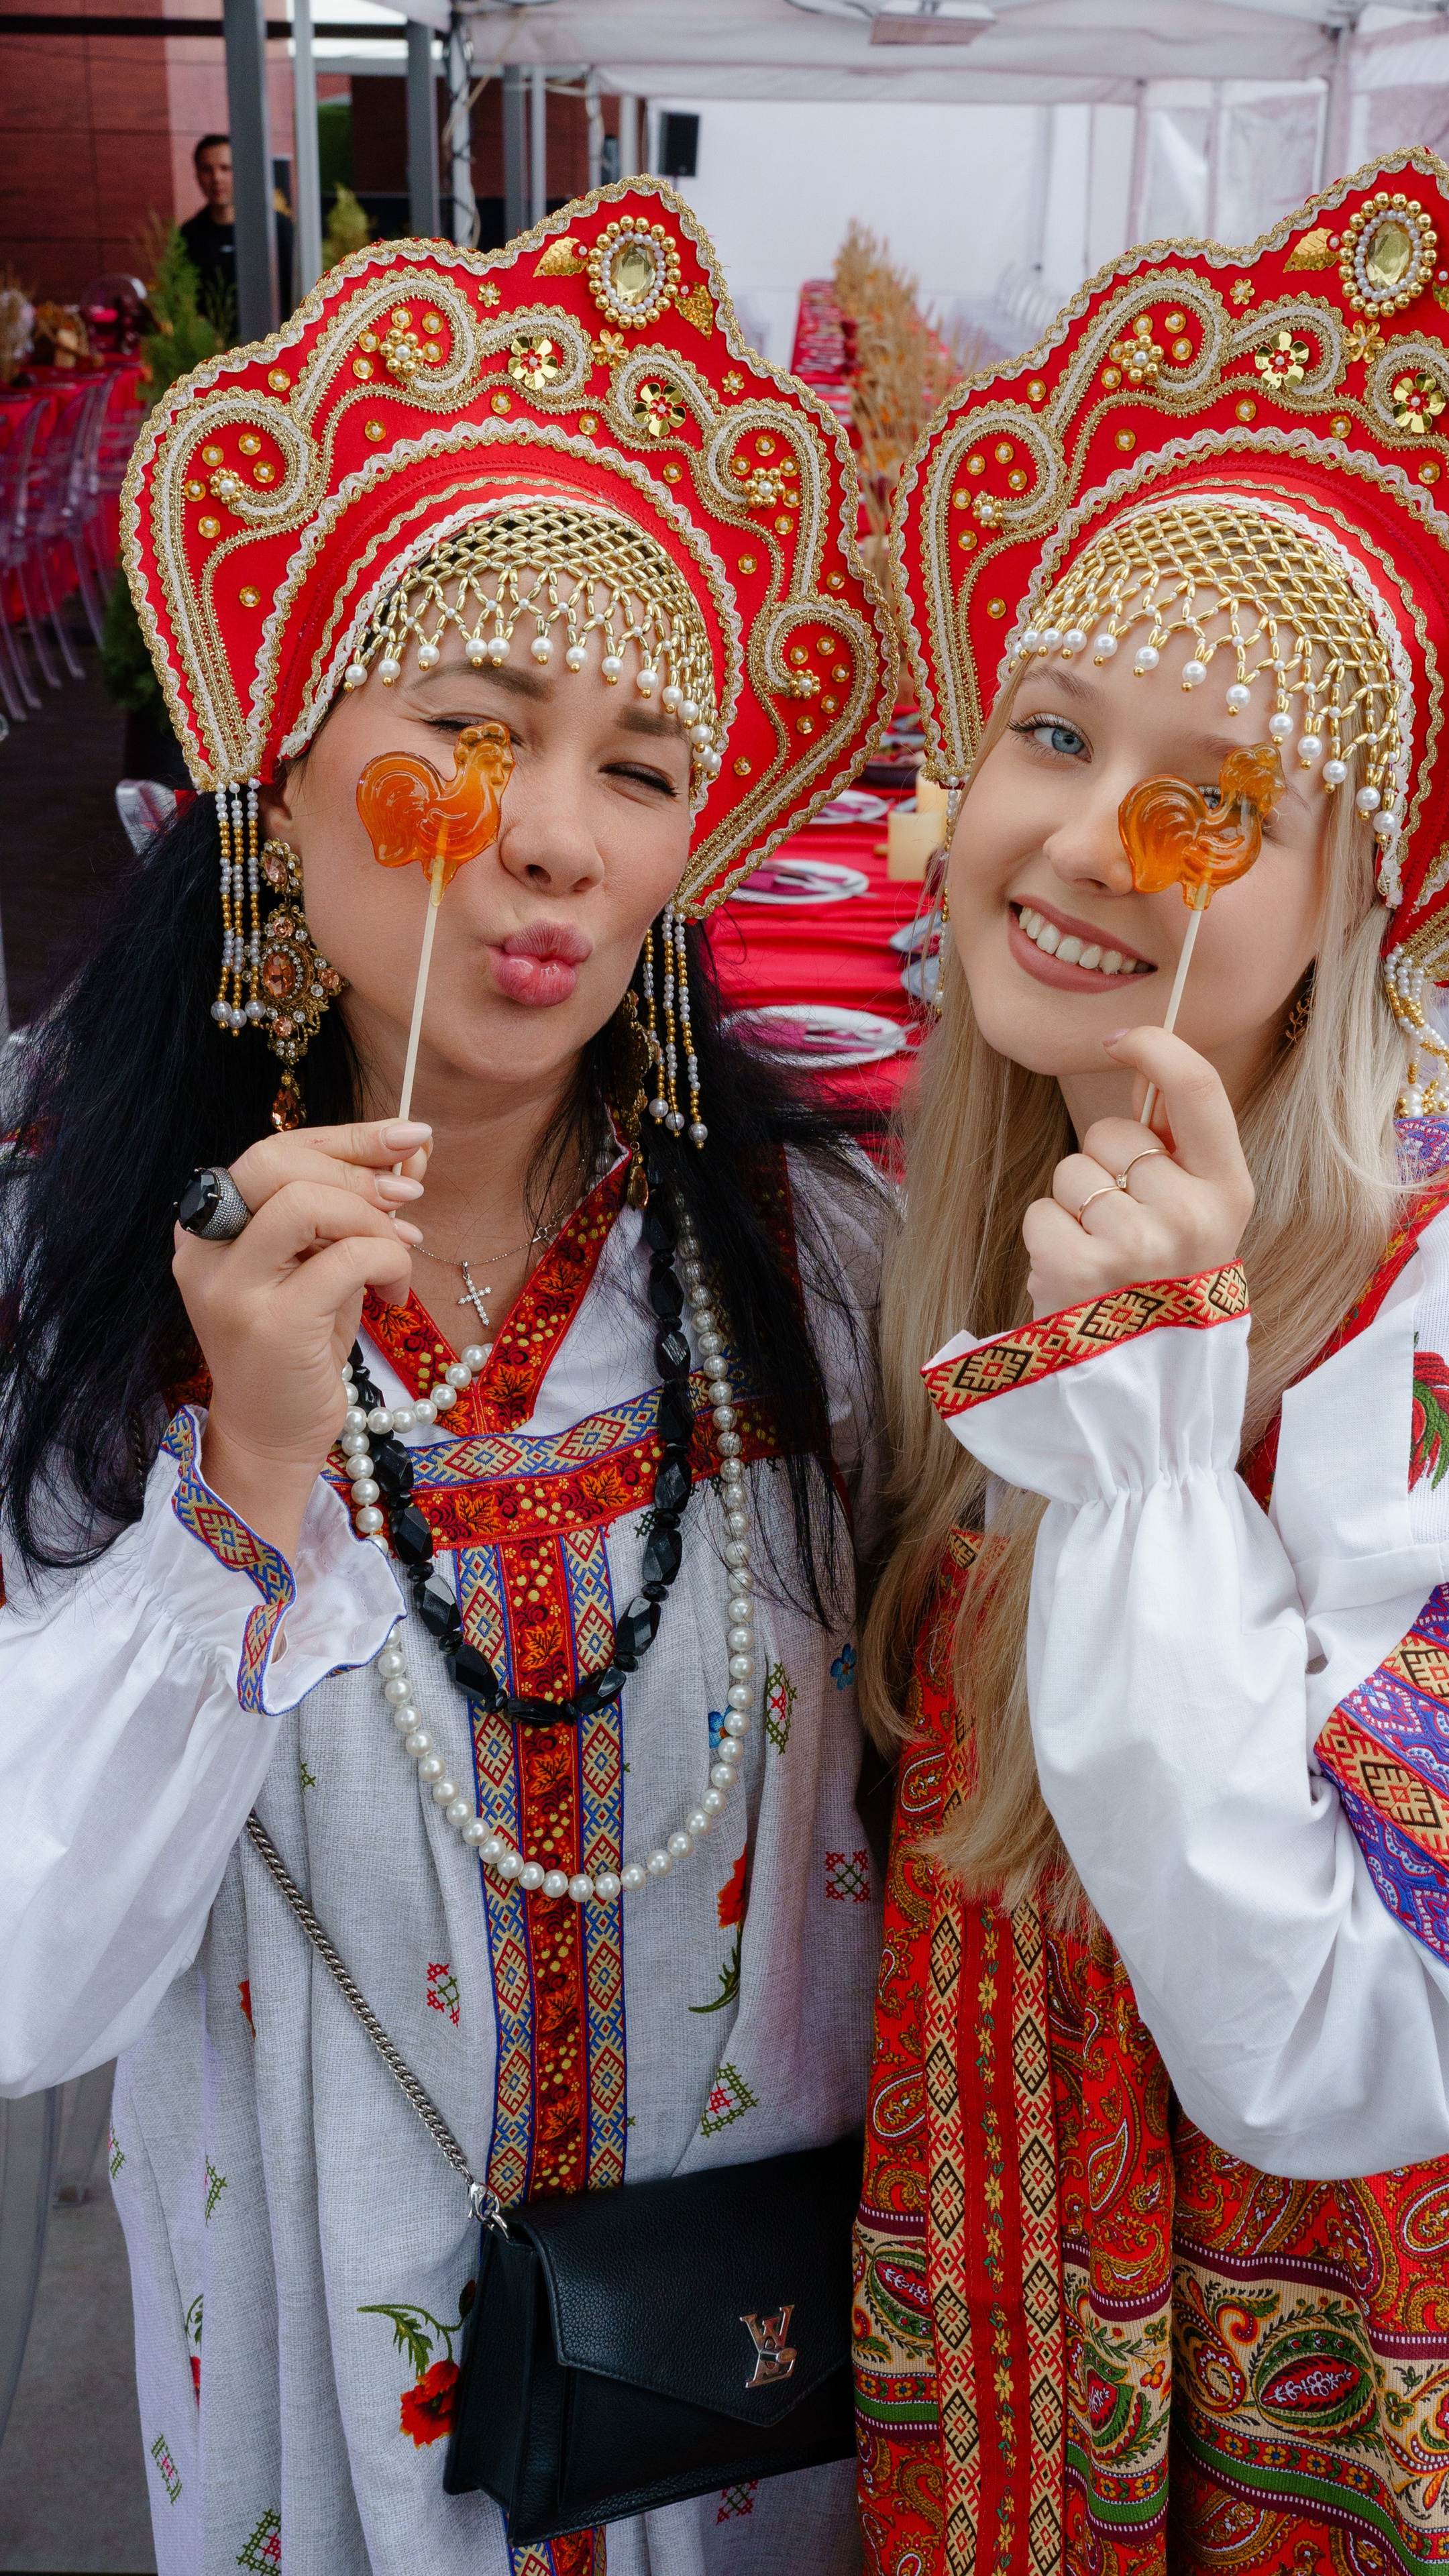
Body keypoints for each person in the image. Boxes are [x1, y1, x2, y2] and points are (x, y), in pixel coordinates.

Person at [0, 182, 894, 2573]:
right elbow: (29, 1977)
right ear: (274, 784)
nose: (549, 845)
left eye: (635, 765)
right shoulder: (88, 1297)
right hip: (324, 2350)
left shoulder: (817, 1277)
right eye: (467, 736)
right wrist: (243, 1500)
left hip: (748, 2379)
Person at [851, 151, 1449, 2571]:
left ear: (1355, 896)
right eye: (1046, 731)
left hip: (1377, 2481)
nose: (1091, 837)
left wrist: (1143, 1461)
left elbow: (1340, 2037)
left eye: (1214, 790)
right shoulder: (937, 1267)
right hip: (1048, 2396)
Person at [180, 131, 294, 327]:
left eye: (226, 168)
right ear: (197, 176)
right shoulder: (188, 236)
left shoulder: (277, 229)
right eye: (207, 170)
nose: (216, 178)